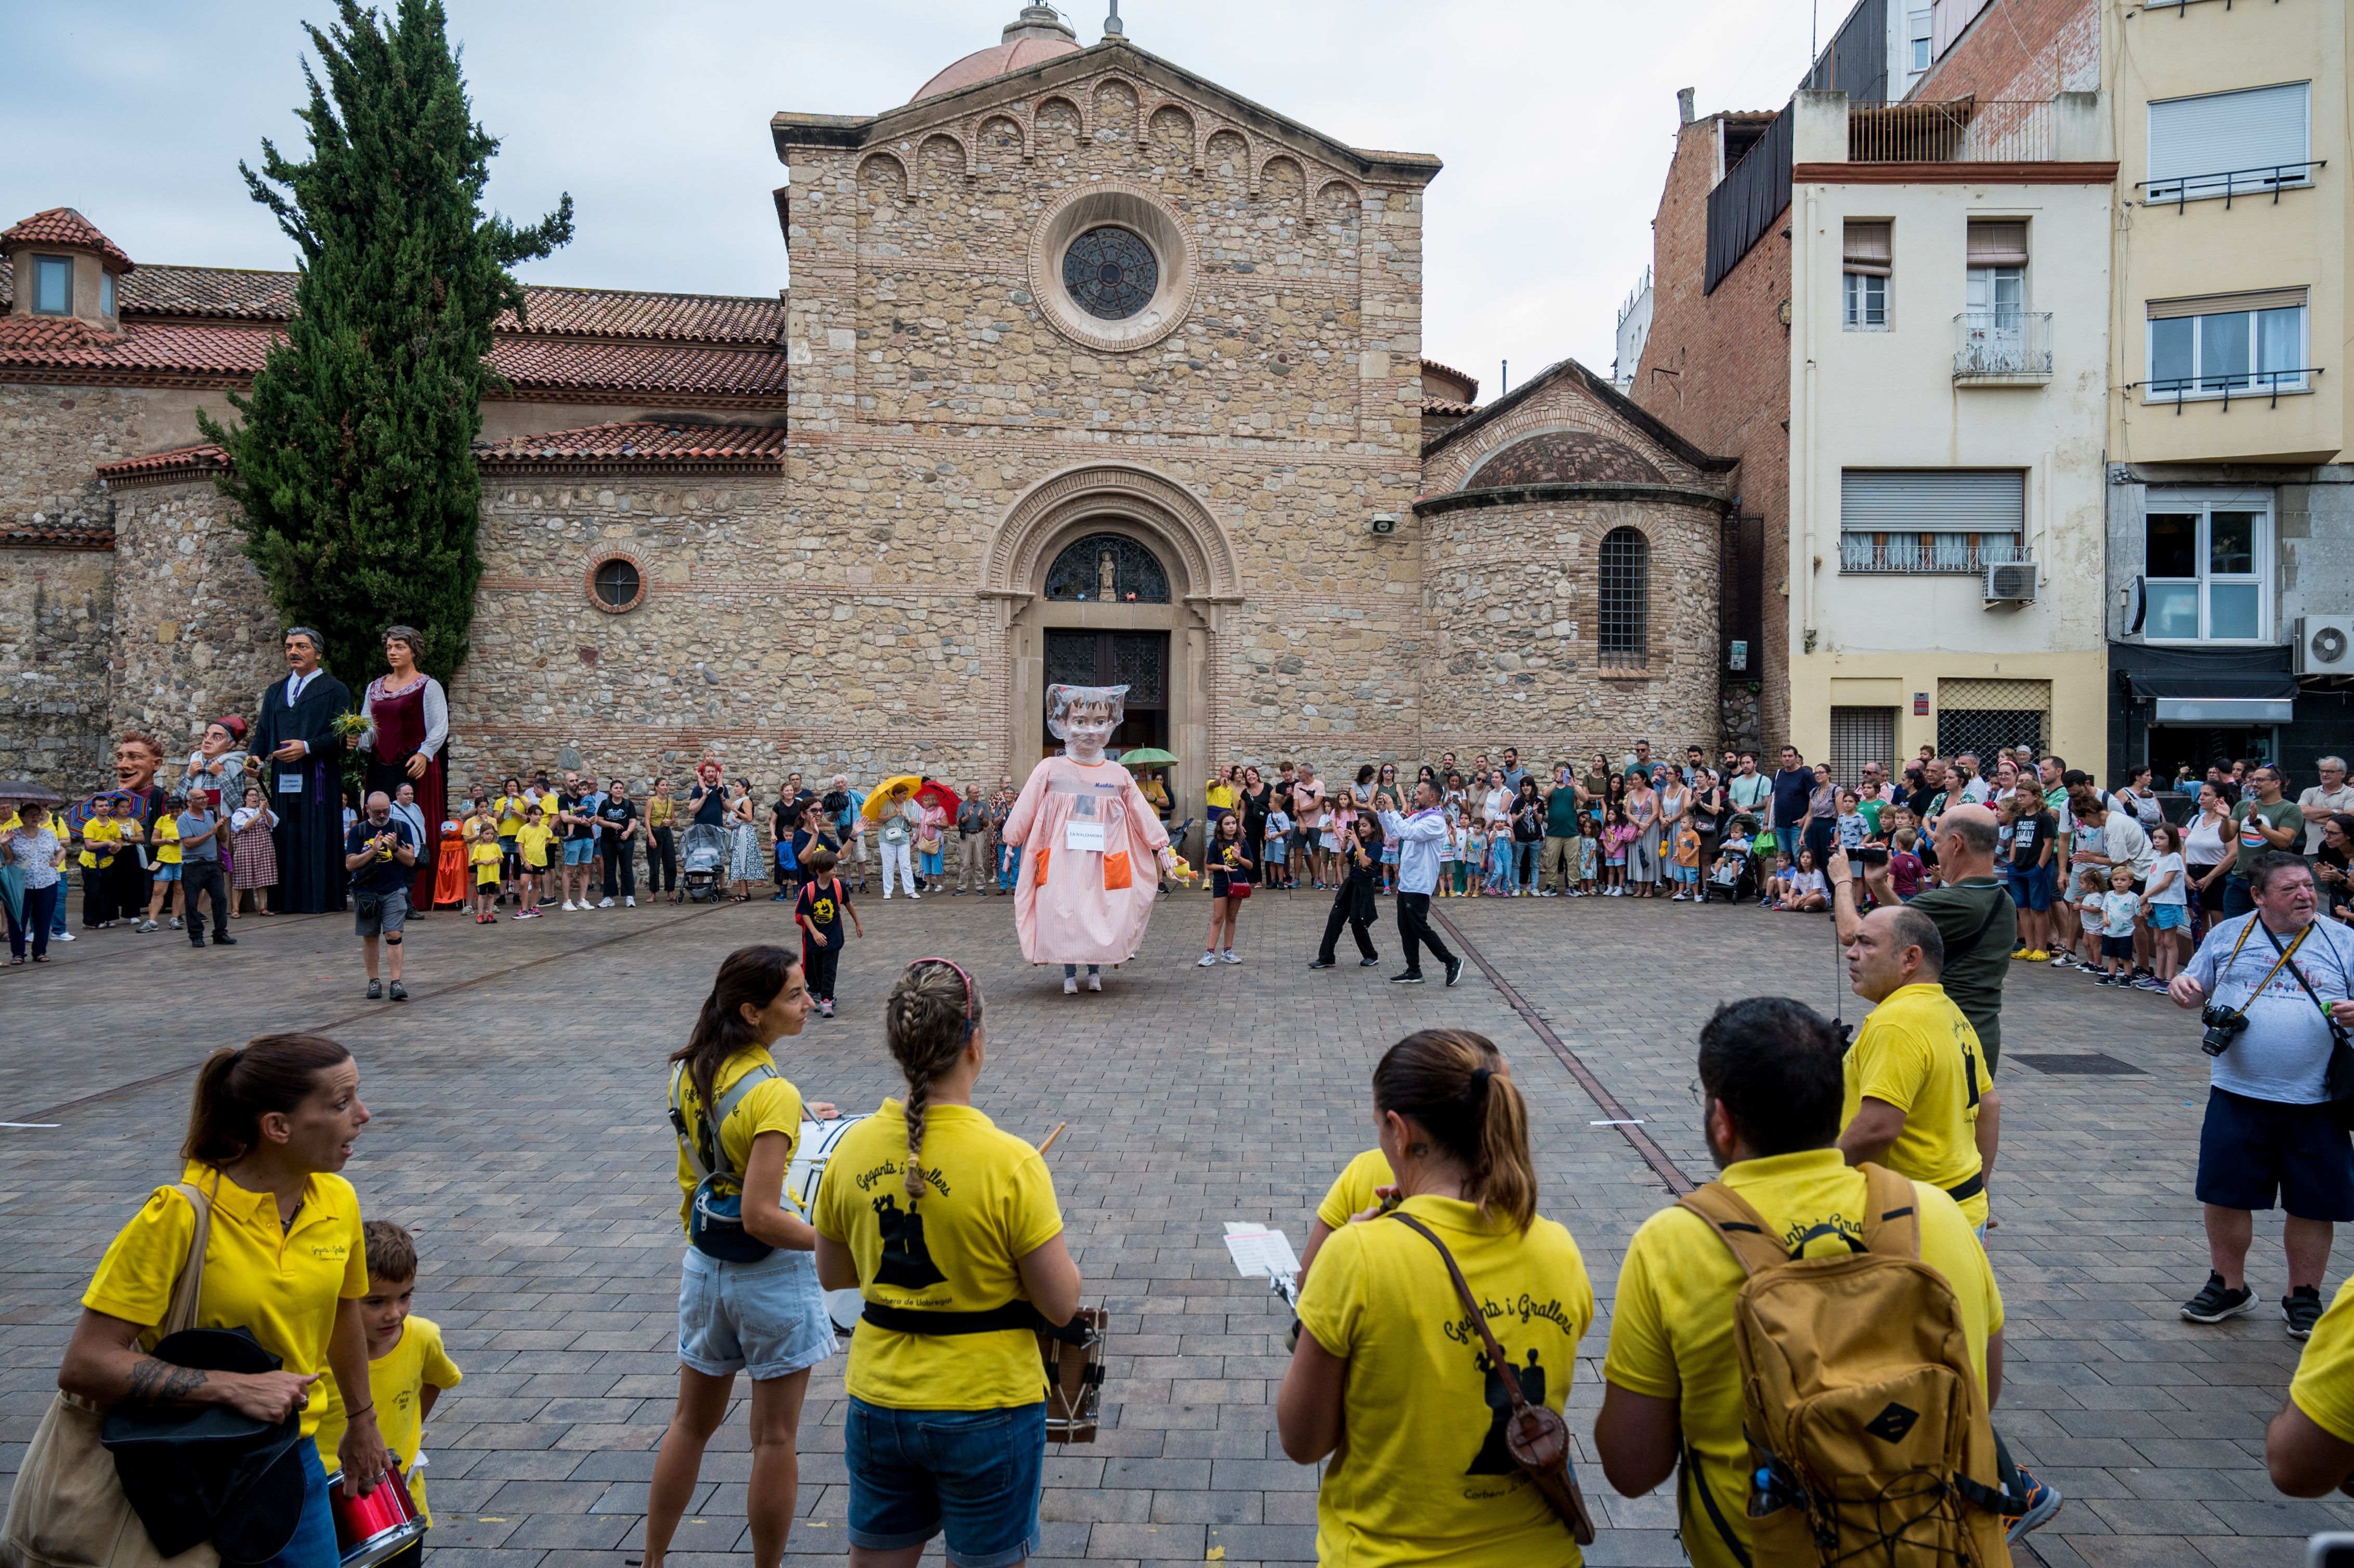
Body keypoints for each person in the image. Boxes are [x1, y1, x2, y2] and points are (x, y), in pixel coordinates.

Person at [1596, 997, 2045, 1565]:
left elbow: (1632, 1468)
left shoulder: (1673, 1241)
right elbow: (1982, 1392)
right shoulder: (1935, 1213)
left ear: (1722, 1119)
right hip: (1932, 1546)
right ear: (1838, 1106)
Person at [57, 1034, 393, 1561]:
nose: (364, 1115)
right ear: (277, 1127)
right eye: (341, 1102)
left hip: (290, 1459)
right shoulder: (179, 1215)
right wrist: (232, 1387)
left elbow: (341, 1311)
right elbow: (85, 1363)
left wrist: (361, 1420)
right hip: (180, 1469)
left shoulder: (337, 1199)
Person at [1277, 1028, 1594, 1567]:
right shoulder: (1557, 1247)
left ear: (1399, 1132)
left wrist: (1349, 1262)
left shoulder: (1358, 1256)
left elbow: (1303, 1440)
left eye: (1380, 1126)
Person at [813, 958, 1080, 1568]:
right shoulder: (1008, 1162)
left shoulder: (851, 1147)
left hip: (879, 1394)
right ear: (975, 1041)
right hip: (986, 1403)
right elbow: (1060, 1302)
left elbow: (834, 1274)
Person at [645, 945, 840, 1568]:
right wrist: (835, 1241)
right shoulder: (773, 1092)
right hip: (770, 1276)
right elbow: (762, 1214)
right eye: (793, 995)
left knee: (689, 1424)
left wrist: (802, 1121)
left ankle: (652, 1561)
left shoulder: (687, 1068)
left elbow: (725, 1140)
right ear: (753, 1012)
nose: (807, 1003)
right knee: (774, 1438)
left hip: (705, 1266)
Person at [2169, 852, 2354, 1338]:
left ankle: (2304, 1296)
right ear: (2258, 896)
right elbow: (2192, 983)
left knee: (2313, 1202)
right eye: (2290, 888)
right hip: (2238, 1092)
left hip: (2319, 1099)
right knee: (2226, 1194)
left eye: (2308, 886)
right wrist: (2183, 987)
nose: (2305, 895)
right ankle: (2228, 1285)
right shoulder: (2228, 934)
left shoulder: (2342, 940)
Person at [1840, 806, 2013, 1196]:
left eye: (1935, 842)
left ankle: (1935, 1205)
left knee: (1922, 1136)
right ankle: (1972, 1197)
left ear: (1956, 844)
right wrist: (1881, 886)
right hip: (1976, 1030)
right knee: (1964, 1124)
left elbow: (1858, 935)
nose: (1932, 850)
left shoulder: (1954, 903)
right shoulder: (1999, 899)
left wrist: (1840, 881)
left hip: (1931, 1034)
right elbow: (1909, 928)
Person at [1002, 685, 1179, 992]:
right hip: (1062, 857)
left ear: (1111, 726)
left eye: (1099, 722)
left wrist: (1161, 843)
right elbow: (1026, 804)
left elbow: (1140, 810)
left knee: (1100, 910)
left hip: (1104, 855)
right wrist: (1011, 841)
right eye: (1080, 721)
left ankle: (1094, 972)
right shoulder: (1050, 768)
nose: (1090, 730)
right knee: (1066, 910)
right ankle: (1070, 975)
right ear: (1062, 723)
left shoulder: (1117, 774)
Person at [330, 1221, 462, 1546]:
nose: (394, 1313)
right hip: (329, 1503)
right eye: (376, 1302)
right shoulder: (322, 1348)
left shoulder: (423, 1337)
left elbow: (436, 1380)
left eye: (404, 1297)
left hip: (399, 1504)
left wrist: (409, 1431)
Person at [247, 629, 351, 914]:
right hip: (284, 775)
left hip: (318, 774)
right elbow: (263, 733)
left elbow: (343, 736)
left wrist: (307, 747)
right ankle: (285, 900)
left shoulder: (336, 689)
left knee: (317, 832)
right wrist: (255, 758)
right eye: (289, 646)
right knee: (286, 830)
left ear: (317, 653)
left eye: (302, 646)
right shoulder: (275, 691)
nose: (293, 651)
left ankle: (321, 898)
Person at [1377, 778, 1464, 987]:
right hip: (1408, 881)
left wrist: (1393, 810)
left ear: (1432, 796)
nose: (1415, 796)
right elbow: (1396, 833)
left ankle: (1451, 961)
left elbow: (1409, 834)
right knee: (1405, 927)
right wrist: (1383, 812)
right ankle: (1413, 970)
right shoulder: (1419, 817)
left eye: (1419, 793)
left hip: (1420, 881)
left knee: (1419, 926)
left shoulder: (1435, 821)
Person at [346, 791, 419, 1002]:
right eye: (377, 812)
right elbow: (350, 864)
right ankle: (374, 981)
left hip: (394, 890)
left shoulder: (400, 828)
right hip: (366, 893)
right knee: (370, 937)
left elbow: (411, 860)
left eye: (386, 811)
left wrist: (394, 847)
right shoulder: (358, 831)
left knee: (394, 935)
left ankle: (396, 982)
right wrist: (373, 851)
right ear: (368, 810)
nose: (382, 815)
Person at [2225, 765, 2305, 917]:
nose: (2254, 784)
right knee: (2233, 930)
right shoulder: (2243, 805)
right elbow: (2226, 837)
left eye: (2260, 780)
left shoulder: (2290, 809)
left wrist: (2256, 823)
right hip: (2239, 879)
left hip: (2271, 881)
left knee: (2271, 927)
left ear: (2276, 783)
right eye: (2253, 780)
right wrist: (2224, 818)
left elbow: (2284, 842)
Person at [794, 847, 862, 1020]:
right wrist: (815, 933)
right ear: (820, 871)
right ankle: (823, 996)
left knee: (829, 969)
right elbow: (804, 913)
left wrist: (858, 923)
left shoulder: (838, 886)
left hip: (833, 937)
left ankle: (826, 1001)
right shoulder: (809, 890)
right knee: (818, 970)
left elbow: (848, 904)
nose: (835, 870)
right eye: (832, 868)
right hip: (815, 939)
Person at [1310, 814, 1383, 971]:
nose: (1362, 829)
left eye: (1365, 826)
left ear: (1374, 828)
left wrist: (1356, 842)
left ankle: (1371, 955)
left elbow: (1365, 864)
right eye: (1360, 826)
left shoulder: (1376, 846)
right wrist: (1345, 845)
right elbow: (1342, 862)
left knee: (1358, 924)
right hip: (1350, 885)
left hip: (1363, 889)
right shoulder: (1359, 844)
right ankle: (1326, 957)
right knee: (1335, 918)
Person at [3, 801, 67, 963]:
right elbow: (9, 860)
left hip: (46, 881)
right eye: (30, 814)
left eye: (37, 814)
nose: (35, 817)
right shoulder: (13, 835)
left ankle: (40, 951)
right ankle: (18, 953)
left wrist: (58, 861)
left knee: (43, 918)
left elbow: (61, 850)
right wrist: (3, 845)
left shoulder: (47, 834)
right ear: (22, 818)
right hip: (21, 884)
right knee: (18, 918)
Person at [177, 791, 234, 949]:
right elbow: (188, 844)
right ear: (190, 802)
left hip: (213, 864)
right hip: (193, 865)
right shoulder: (184, 819)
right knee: (192, 902)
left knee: (221, 899)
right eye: (200, 798)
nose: (204, 800)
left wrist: (221, 827)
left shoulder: (210, 815)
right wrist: (211, 831)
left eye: (205, 797)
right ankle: (196, 936)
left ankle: (220, 933)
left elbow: (222, 838)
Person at [1200, 811, 1256, 968]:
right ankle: (1210, 952)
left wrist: (1239, 858)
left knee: (1232, 917)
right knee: (1218, 917)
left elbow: (1250, 865)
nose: (1231, 827)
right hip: (1221, 884)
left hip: (1238, 884)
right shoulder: (1215, 843)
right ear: (1221, 827)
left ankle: (1227, 952)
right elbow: (1209, 865)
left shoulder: (1242, 842)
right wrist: (1223, 867)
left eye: (1233, 823)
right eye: (1227, 824)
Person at [228, 783, 280, 919]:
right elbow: (246, 826)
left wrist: (265, 812)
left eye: (256, 795)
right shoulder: (239, 813)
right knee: (240, 880)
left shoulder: (264, 811)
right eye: (251, 795)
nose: (255, 798)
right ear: (245, 798)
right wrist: (259, 815)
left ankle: (263, 907)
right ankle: (235, 909)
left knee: (262, 879)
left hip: (263, 848)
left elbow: (272, 823)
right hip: (245, 850)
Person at [597, 777, 641, 908]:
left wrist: (628, 832)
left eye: (621, 788)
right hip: (608, 840)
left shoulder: (628, 804)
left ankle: (629, 896)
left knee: (626, 867)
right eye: (616, 788)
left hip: (626, 841)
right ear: (611, 791)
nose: (619, 790)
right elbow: (599, 820)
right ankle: (609, 897)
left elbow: (633, 821)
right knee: (609, 869)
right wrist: (612, 824)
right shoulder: (605, 804)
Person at [2300, 756, 2354, 857]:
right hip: (2313, 851)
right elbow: (2301, 812)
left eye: (2330, 771)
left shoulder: (2351, 793)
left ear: (2342, 774)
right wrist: (2336, 811)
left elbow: (2349, 820)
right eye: (2322, 771)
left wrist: (2315, 817)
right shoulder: (2309, 792)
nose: (2324, 775)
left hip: (2344, 852)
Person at [1767, 746, 1812, 863]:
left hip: (1798, 826)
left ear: (1797, 757)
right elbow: (1771, 799)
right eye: (1784, 756)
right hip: (1780, 826)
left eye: (1790, 756)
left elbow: (1815, 799)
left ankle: (1801, 882)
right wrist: (1767, 823)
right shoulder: (1778, 774)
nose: (1787, 759)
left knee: (1800, 859)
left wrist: (1805, 818)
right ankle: (1787, 882)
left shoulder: (1805, 774)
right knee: (1784, 860)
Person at [876, 782, 920, 900]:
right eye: (903, 794)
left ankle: (911, 891)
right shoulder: (887, 804)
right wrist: (893, 814)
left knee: (906, 864)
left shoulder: (908, 806)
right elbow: (879, 819)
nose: (906, 796)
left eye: (906, 794)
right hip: (887, 838)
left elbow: (915, 823)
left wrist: (908, 818)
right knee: (888, 865)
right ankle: (888, 891)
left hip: (903, 838)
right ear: (896, 794)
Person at [513, 802, 553, 918]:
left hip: (540, 860)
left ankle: (533, 907)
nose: (538, 817)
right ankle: (524, 909)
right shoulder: (524, 829)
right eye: (536, 814)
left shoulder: (544, 829)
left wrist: (545, 844)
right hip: (528, 861)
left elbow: (551, 836)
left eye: (540, 815)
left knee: (536, 883)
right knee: (524, 883)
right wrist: (525, 861)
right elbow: (520, 846)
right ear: (529, 815)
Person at [647, 778, 679, 901]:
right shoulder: (651, 802)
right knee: (654, 864)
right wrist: (650, 836)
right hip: (655, 831)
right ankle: (653, 893)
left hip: (666, 833)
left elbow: (674, 819)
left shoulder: (669, 802)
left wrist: (670, 821)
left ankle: (670, 892)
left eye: (667, 785)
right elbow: (646, 820)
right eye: (662, 785)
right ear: (656, 787)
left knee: (670, 863)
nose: (665, 787)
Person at [954, 788, 991, 895]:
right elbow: (958, 823)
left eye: (978, 792)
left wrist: (981, 817)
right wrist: (968, 816)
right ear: (968, 794)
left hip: (979, 834)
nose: (977, 794)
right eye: (975, 793)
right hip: (966, 835)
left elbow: (986, 824)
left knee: (979, 862)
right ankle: (961, 887)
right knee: (965, 863)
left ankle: (980, 887)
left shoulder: (982, 805)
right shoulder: (962, 806)